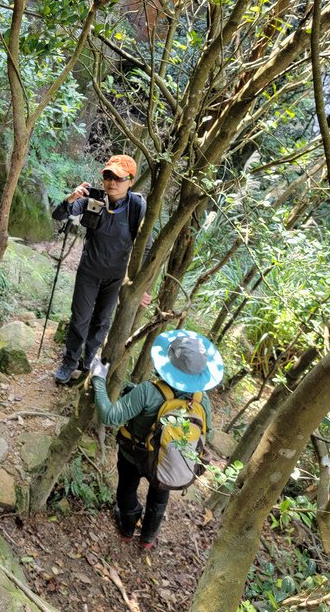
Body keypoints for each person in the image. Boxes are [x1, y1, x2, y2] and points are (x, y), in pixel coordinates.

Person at [89, 329, 221, 548]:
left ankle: (127, 527)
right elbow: (210, 433)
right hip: (169, 460)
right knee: (160, 496)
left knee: (127, 490)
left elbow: (110, 416)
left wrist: (98, 379)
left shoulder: (147, 391)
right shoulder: (201, 399)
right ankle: (148, 538)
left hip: (133, 455)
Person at [51, 154, 150, 384]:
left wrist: (138, 284)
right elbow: (59, 215)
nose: (112, 182)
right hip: (89, 271)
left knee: (102, 321)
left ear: (131, 181)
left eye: (118, 178)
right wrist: (70, 198)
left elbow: (145, 248)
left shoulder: (137, 208)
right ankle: (69, 362)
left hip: (116, 278)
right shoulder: (92, 199)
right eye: (108, 176)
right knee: (80, 318)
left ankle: (87, 363)